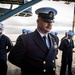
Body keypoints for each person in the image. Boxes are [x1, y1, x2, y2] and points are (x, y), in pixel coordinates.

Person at [8, 7, 58, 75]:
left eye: (51, 22)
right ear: (38, 21)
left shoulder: (54, 38)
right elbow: (12, 58)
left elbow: (53, 56)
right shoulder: (25, 39)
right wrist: (29, 68)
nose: (49, 24)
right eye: (46, 21)